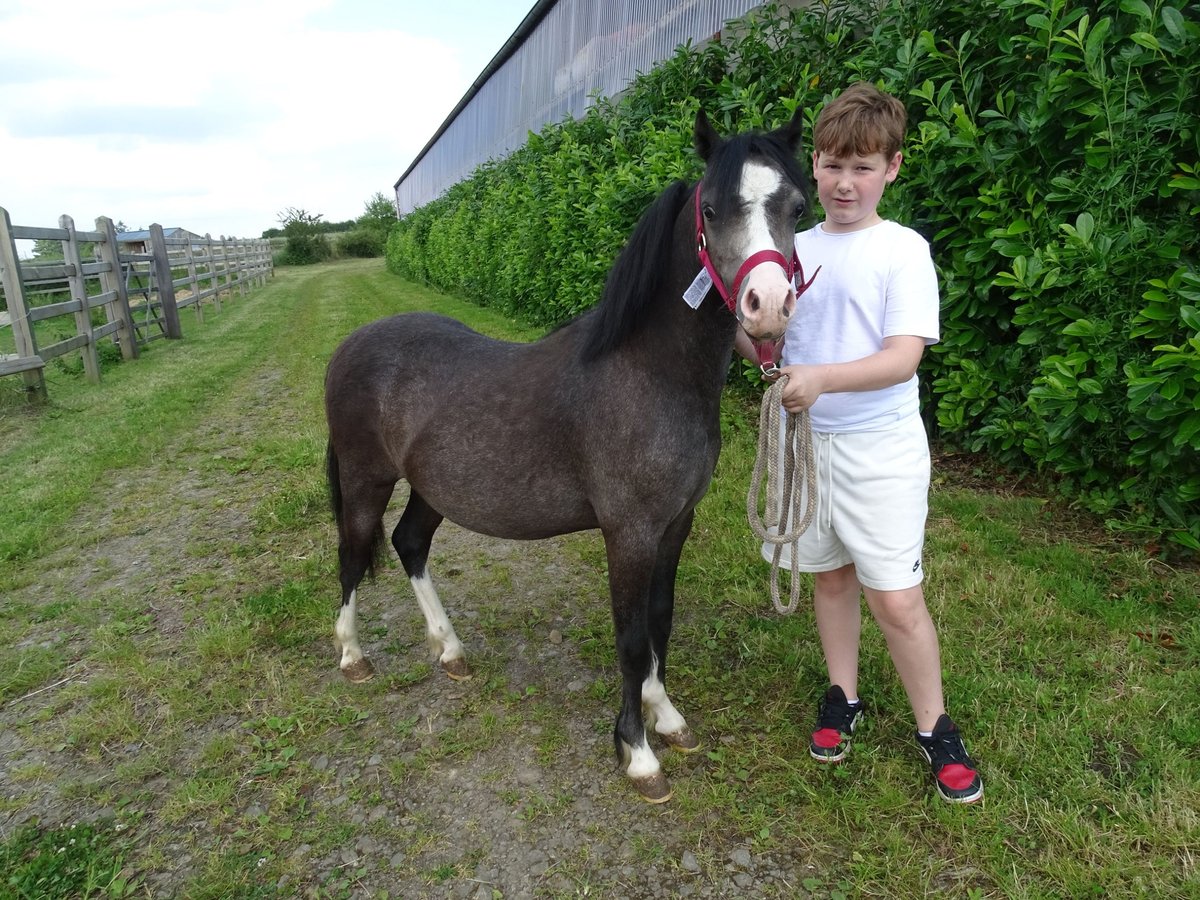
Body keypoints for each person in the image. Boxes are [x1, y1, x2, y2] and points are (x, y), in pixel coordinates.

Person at [736, 82, 983, 803]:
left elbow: (902, 357)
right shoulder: (788, 248)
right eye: (833, 164)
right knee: (830, 577)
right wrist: (761, 346)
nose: (846, 183)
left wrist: (818, 379)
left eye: (864, 167)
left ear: (893, 169)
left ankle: (935, 726)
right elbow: (771, 349)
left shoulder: (902, 251)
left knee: (896, 599)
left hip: (879, 449)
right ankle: (843, 696)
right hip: (803, 447)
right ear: (811, 165)